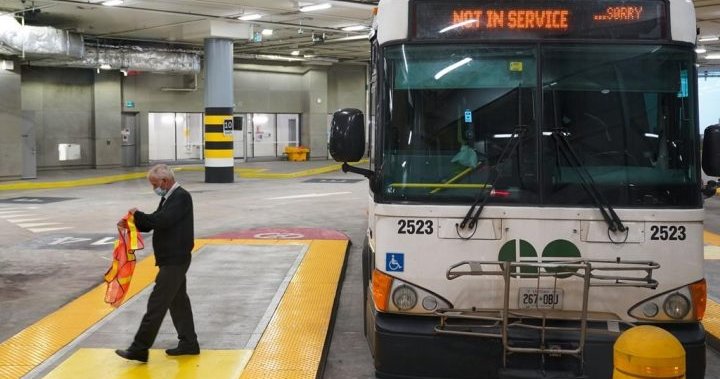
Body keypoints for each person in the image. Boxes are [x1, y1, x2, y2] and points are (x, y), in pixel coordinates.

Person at [115, 164, 199, 362]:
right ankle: (189, 343)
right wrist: (132, 221)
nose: (154, 188)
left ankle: (139, 348)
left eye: (155, 184)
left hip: (175, 261)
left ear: (165, 181)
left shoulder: (181, 197)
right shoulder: (169, 197)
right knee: (178, 302)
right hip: (172, 259)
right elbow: (154, 221)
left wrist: (138, 215)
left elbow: (162, 221)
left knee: (157, 304)